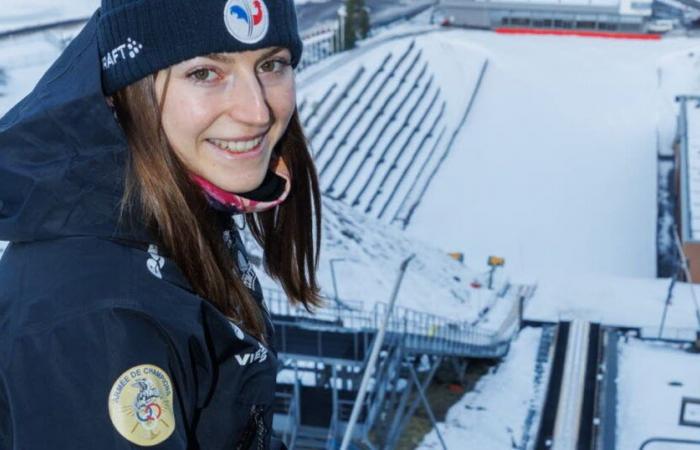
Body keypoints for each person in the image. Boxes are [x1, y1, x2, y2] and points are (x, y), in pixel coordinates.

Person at [0, 0, 321, 448]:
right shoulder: (99, 313)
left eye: (272, 64)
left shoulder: (170, 215)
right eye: (205, 73)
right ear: (124, 91)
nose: (257, 111)